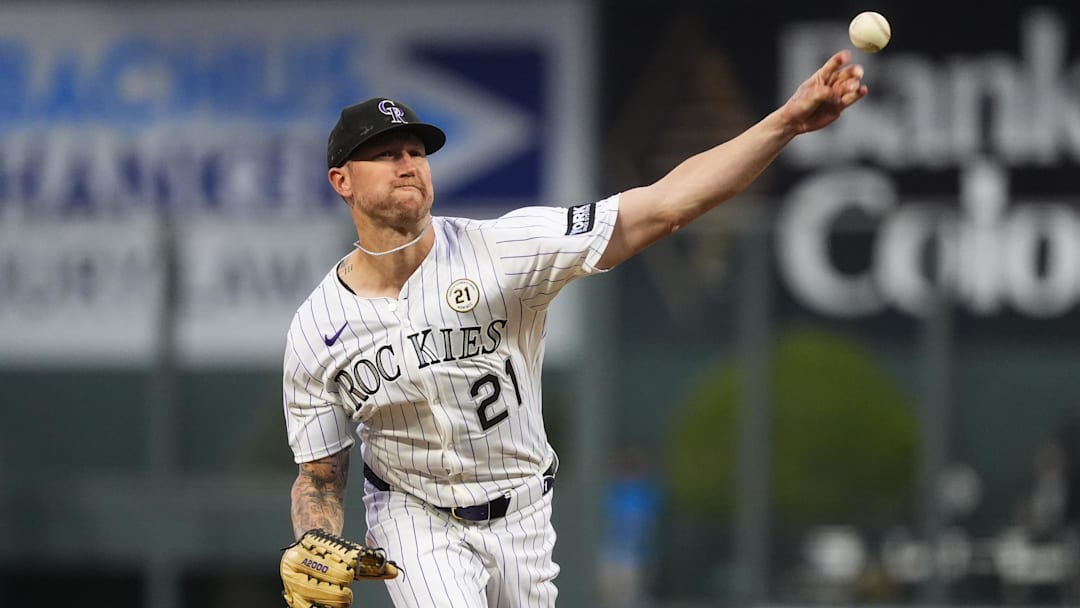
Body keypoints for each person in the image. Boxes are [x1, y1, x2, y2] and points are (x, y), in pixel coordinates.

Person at [282, 50, 868, 607]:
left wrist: (785, 123)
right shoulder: (317, 328)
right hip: (411, 514)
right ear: (342, 182)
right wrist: (312, 538)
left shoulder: (503, 250)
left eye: (416, 150)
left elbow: (665, 206)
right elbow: (320, 477)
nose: (409, 164)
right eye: (386, 154)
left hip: (522, 514)